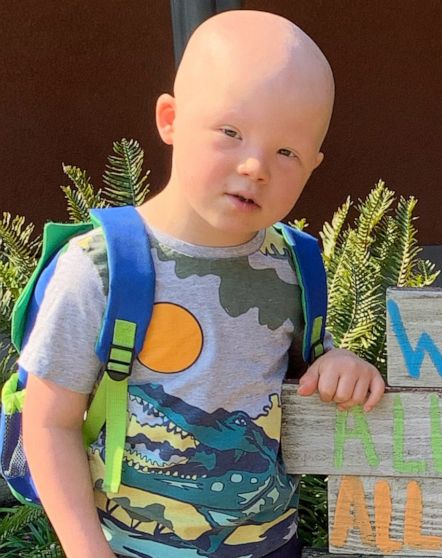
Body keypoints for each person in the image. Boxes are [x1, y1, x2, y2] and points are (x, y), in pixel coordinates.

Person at [20, 10, 385, 558]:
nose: (256, 165)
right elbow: (48, 424)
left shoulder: (293, 266)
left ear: (314, 163)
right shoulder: (99, 269)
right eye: (231, 132)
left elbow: (302, 366)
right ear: (170, 118)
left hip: (270, 546)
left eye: (287, 151)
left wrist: (339, 365)